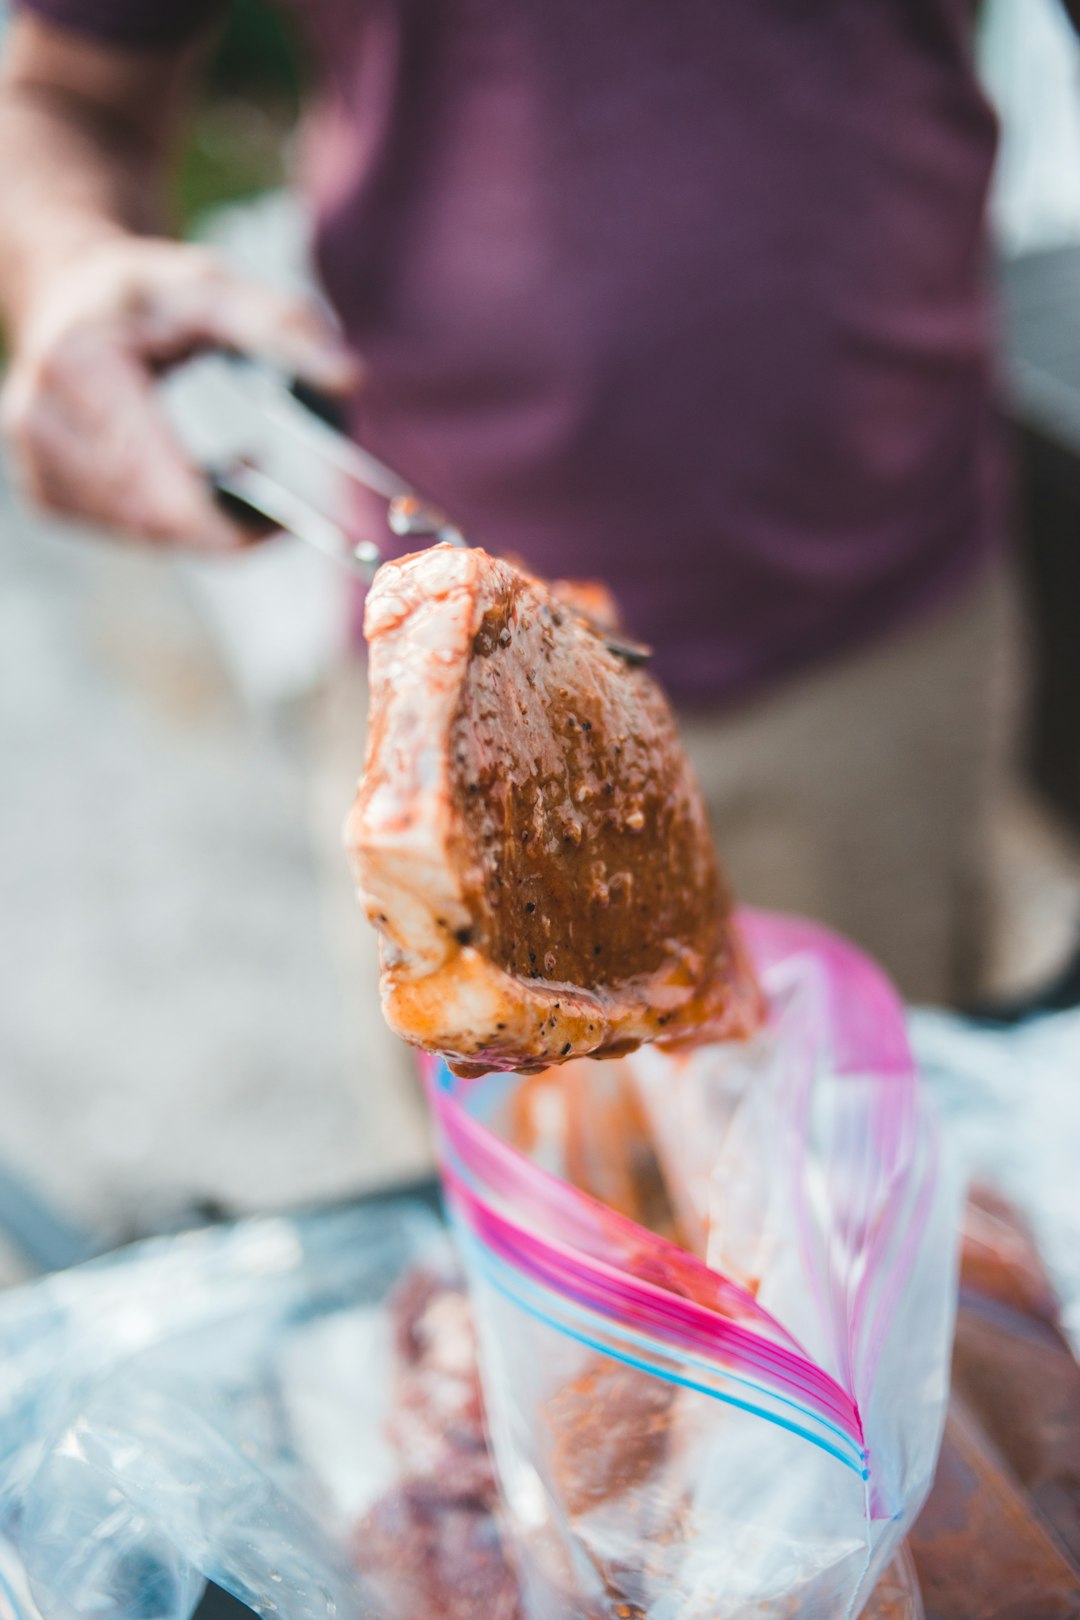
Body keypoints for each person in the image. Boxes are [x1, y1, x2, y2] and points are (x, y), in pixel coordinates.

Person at [0, 0, 1061, 1004]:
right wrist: (66, 271)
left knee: (861, 1143)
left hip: (875, 639)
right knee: (516, 1142)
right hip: (439, 685)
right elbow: (57, 100)